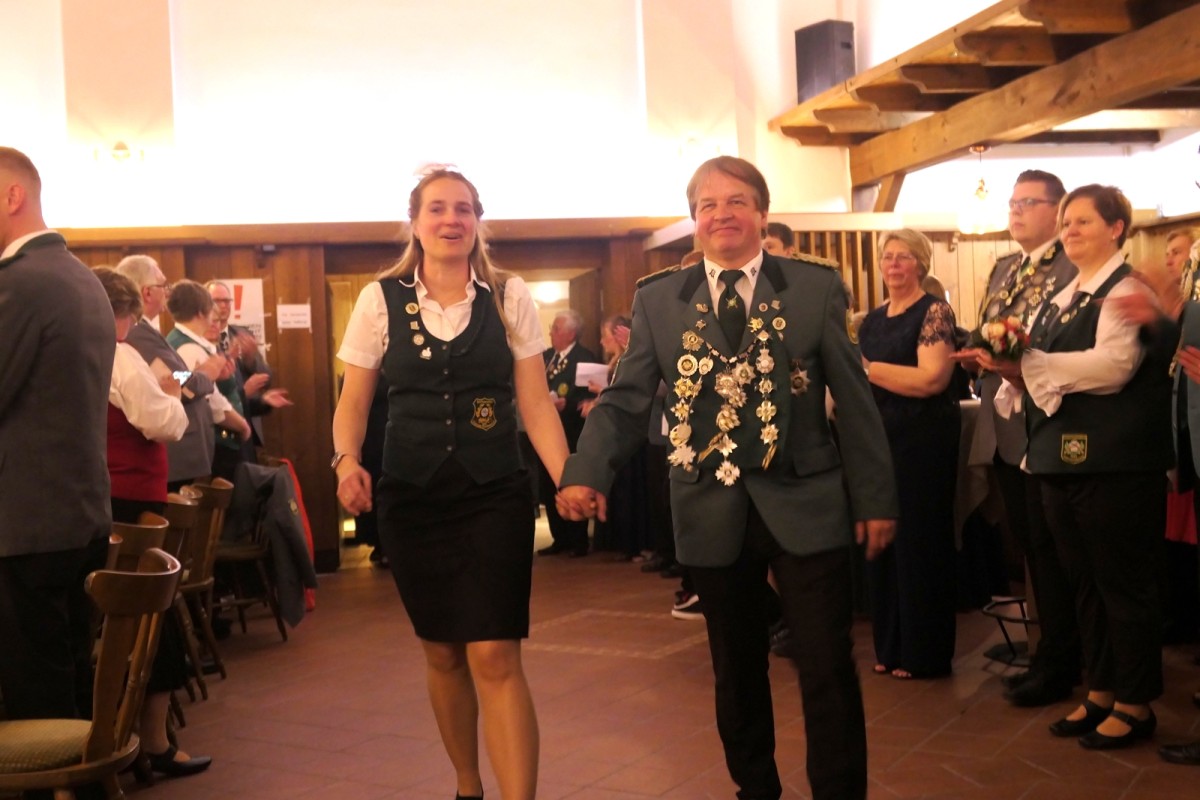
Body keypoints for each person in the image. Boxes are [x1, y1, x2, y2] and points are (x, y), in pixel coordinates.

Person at [558, 156, 898, 800]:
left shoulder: (814, 287)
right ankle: (755, 790)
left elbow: (855, 403)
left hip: (806, 501)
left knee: (827, 664)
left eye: (738, 201)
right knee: (736, 670)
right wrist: (586, 472)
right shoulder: (659, 299)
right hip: (710, 508)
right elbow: (626, 401)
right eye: (708, 204)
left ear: (763, 215)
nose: (722, 214)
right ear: (694, 219)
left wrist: (876, 498)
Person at [332, 167, 571, 800]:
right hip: (413, 497)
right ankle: (468, 785)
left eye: (463, 209)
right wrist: (346, 461)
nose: (451, 219)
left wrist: (568, 478)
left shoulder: (509, 295)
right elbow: (353, 401)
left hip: (495, 492)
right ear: (414, 222)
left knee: (495, 651)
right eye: (437, 208)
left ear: (477, 222)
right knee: (441, 651)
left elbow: (535, 403)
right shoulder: (378, 299)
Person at [980, 184, 1171, 750]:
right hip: (1062, 460)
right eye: (1066, 223)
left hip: (1116, 463)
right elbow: (1045, 370)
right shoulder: (1062, 295)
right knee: (1084, 583)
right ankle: (1102, 690)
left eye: (1083, 221)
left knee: (1122, 585)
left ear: (1116, 228)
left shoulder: (1126, 288)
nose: (1070, 231)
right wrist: (1014, 371)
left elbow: (1113, 366)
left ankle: (1136, 703)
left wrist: (1033, 365)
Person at [0, 146, 115, 731]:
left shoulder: (23, 283)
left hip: (26, 527)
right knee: (66, 679)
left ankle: (57, 777)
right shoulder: (79, 277)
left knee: (36, 702)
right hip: (74, 516)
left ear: (12, 196)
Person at [959, 170, 1080, 708]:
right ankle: (1047, 654)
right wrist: (973, 351)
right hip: (1004, 420)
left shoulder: (1071, 265)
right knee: (1031, 545)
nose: (1015, 211)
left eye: (1028, 202)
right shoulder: (1005, 266)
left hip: (1047, 417)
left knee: (1055, 550)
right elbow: (990, 329)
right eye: (1012, 202)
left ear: (1058, 210)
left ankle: (1063, 661)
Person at [93, 266, 212, 778]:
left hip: (104, 498)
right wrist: (177, 395)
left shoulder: (79, 349)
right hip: (132, 503)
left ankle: (121, 734)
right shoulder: (124, 351)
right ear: (131, 306)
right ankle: (151, 741)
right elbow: (164, 417)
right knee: (146, 616)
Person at [858, 229, 960, 680]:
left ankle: (924, 652)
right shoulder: (871, 320)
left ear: (920, 263)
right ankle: (890, 645)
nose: (894, 264)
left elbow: (931, 380)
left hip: (922, 441)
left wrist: (868, 370)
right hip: (878, 442)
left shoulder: (934, 311)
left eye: (903, 257)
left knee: (919, 543)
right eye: (887, 257)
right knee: (882, 546)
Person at [116, 255, 225, 491]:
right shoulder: (137, 332)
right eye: (163, 285)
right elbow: (181, 382)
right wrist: (206, 374)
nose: (168, 291)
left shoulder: (145, 329)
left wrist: (192, 375)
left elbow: (177, 377)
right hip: (177, 456)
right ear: (147, 293)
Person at [580, 315, 651, 561]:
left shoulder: (628, 361)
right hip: (616, 431)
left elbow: (632, 395)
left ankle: (634, 544)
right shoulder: (614, 362)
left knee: (631, 490)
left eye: (606, 336)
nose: (601, 342)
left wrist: (601, 395)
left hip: (631, 433)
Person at [165, 280, 253, 472]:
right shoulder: (188, 347)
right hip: (208, 445)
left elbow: (191, 384)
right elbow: (206, 398)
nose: (216, 316)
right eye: (211, 309)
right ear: (200, 312)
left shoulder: (186, 341)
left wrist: (218, 377)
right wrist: (243, 426)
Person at [536, 309, 599, 557]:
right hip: (546, 430)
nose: (551, 333)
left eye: (556, 328)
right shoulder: (546, 357)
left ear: (571, 334)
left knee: (572, 480)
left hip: (573, 431)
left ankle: (578, 540)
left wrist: (568, 404)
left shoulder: (585, 357)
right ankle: (559, 538)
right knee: (548, 483)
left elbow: (591, 396)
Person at [206, 279, 292, 452]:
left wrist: (250, 359)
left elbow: (266, 378)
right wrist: (243, 392)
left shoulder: (242, 333)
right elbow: (197, 386)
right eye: (217, 301)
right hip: (216, 431)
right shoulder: (200, 339)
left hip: (247, 420)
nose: (223, 306)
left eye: (227, 301)